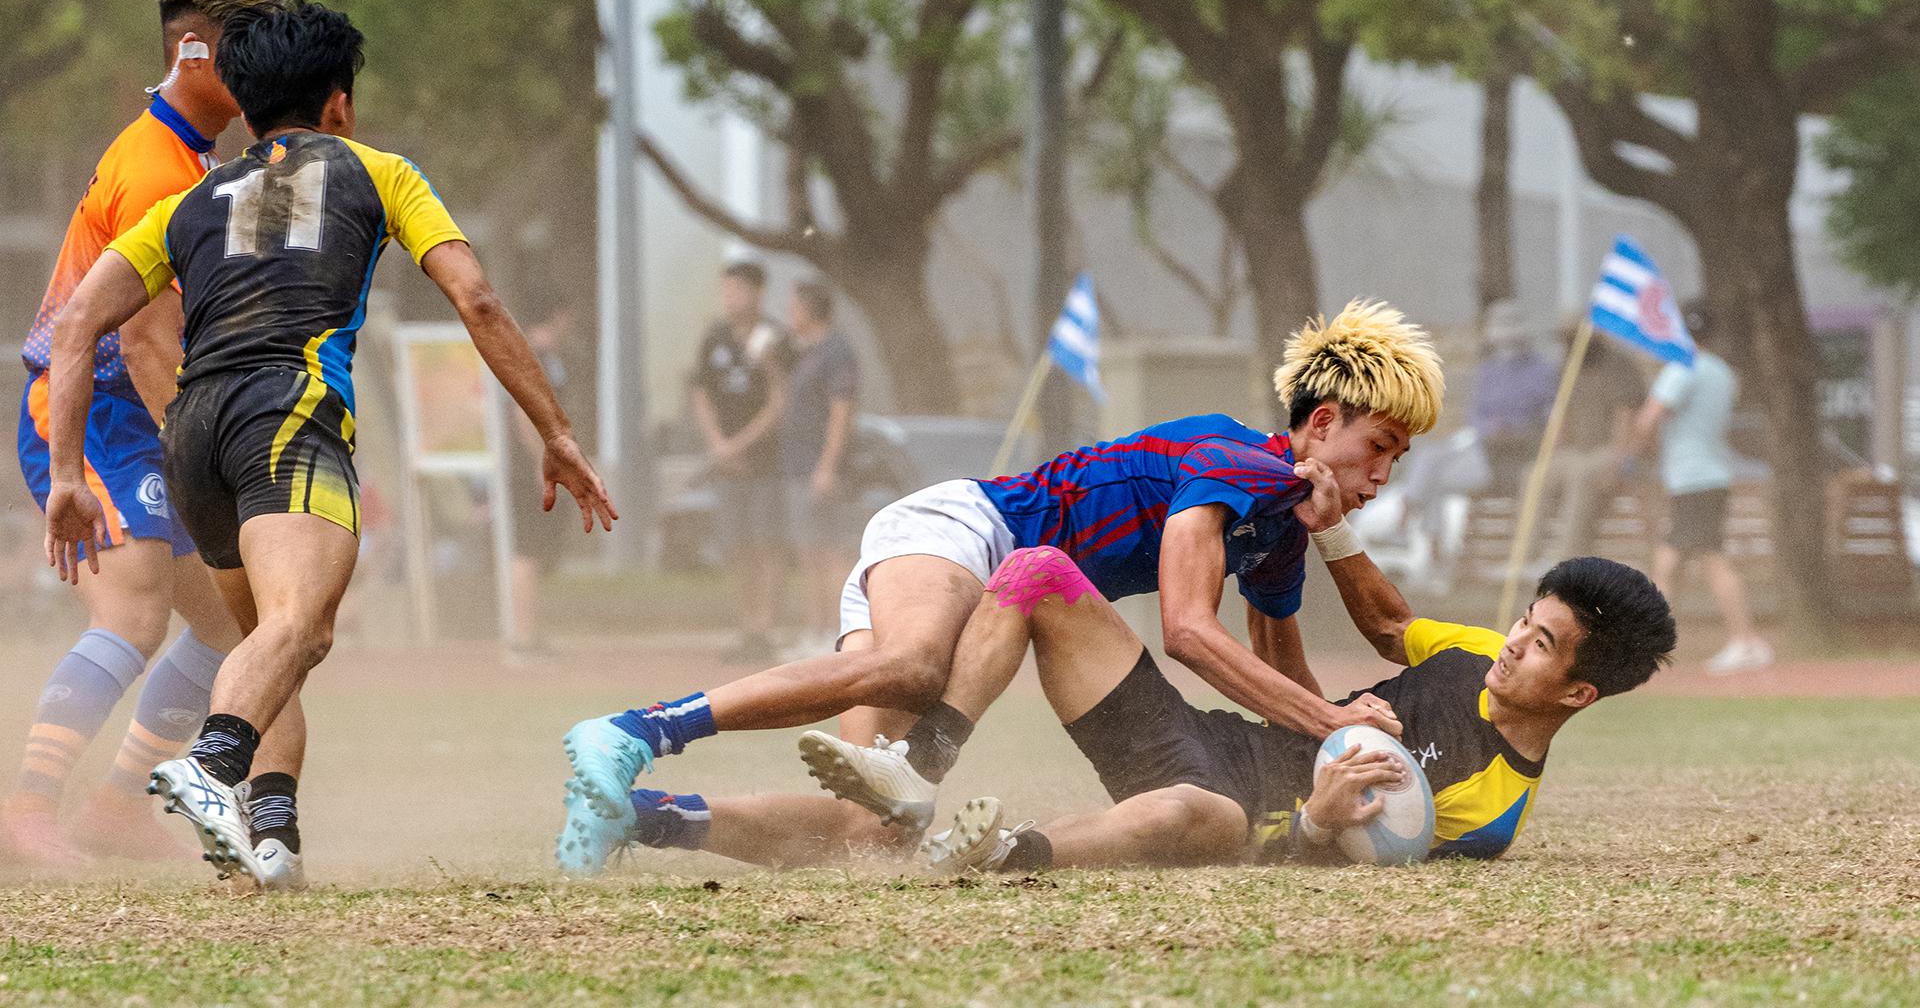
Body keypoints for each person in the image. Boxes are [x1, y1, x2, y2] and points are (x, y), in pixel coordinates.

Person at [42, 0, 616, 889]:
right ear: (339, 102)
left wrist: (66, 474)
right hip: (289, 419)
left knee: (266, 645)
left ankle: (270, 846)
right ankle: (213, 768)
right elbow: (479, 301)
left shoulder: (195, 196)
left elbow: (79, 322)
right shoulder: (381, 171)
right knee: (301, 629)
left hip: (192, 437)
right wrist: (556, 430)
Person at [555, 300, 1442, 873]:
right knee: (907, 670)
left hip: (977, 584)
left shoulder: (1282, 528)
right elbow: (1185, 628)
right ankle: (636, 731)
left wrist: (1328, 756)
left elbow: (1281, 686)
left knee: (870, 831)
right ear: (1321, 423)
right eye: (1377, 449)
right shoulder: (1242, 463)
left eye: (1397, 460)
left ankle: (636, 819)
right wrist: (1334, 721)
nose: (1383, 475)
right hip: (966, 535)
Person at [2, 0, 307, 871]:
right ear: (197, 54)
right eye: (248, 44)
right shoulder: (158, 172)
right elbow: (140, 340)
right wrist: (216, 453)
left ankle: (114, 804)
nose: (264, 68)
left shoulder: (185, 154)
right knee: (133, 613)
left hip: (142, 412)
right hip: (93, 409)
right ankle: (26, 809)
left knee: (221, 628)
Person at [905, 546, 1674, 873]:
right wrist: (1321, 526)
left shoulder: (1491, 812)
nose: (1511, 644)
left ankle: (997, 854)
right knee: (1040, 573)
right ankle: (919, 764)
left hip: (1235, 813)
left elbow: (1324, 866)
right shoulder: (1473, 650)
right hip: (1199, 737)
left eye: (1540, 644)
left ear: (1579, 693)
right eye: (1524, 621)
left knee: (1183, 813)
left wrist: (1319, 820)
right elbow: (1390, 626)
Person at [1625, 305, 1771, 674]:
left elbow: (1649, 418)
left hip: (1691, 479)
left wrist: (1638, 449)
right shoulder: (1722, 372)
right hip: (1712, 474)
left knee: (1704, 560)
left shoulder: (1681, 368)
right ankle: (1651, 644)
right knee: (1670, 561)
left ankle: (1745, 640)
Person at [690, 261, 790, 660]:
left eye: (738, 290)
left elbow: (779, 399)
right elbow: (700, 392)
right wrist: (717, 442)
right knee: (736, 546)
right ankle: (745, 627)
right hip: (726, 464)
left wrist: (742, 444)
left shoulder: (775, 338)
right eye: (726, 289)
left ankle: (765, 627)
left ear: (757, 292)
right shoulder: (714, 335)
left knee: (767, 543)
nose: (730, 298)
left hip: (765, 462)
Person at [779, 281, 861, 656]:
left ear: (811, 310)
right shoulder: (803, 353)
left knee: (829, 550)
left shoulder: (836, 353)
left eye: (794, 307)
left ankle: (837, 631)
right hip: (797, 465)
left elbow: (840, 412)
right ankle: (815, 629)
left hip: (821, 468)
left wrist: (827, 466)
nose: (789, 314)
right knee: (807, 551)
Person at [504, 304, 580, 663]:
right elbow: (524, 411)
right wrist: (541, 462)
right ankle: (522, 638)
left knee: (537, 551)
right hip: (529, 468)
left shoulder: (545, 356)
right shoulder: (534, 354)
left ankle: (529, 633)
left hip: (539, 464)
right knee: (528, 550)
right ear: (557, 318)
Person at [1544, 333, 1645, 558]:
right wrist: (1551, 450)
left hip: (1608, 450)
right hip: (1575, 450)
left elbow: (1626, 416)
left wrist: (1618, 462)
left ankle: (1566, 556)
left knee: (1580, 476)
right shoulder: (1568, 367)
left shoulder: (1618, 365)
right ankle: (1524, 556)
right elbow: (1562, 414)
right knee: (1534, 476)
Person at [1471, 300, 1558, 491]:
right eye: (1501, 326)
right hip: (1487, 447)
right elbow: (1476, 414)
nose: (1507, 335)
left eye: (1513, 325)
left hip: (1525, 447)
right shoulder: (1488, 371)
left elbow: (1549, 413)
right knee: (1433, 460)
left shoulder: (1542, 370)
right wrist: (1488, 428)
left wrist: (1518, 428)